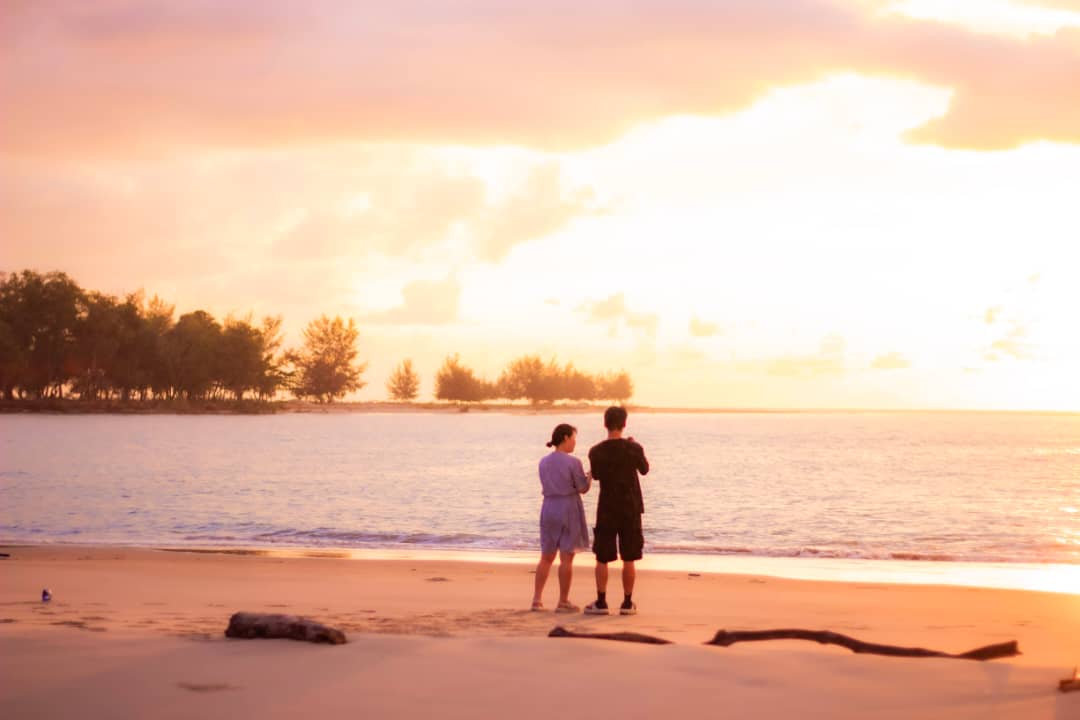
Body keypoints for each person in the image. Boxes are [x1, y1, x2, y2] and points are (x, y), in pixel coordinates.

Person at [585, 406, 649, 616]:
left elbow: (596, 475)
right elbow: (645, 469)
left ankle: (601, 602)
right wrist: (632, 446)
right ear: (624, 424)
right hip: (630, 507)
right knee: (629, 557)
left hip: (607, 507)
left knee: (602, 556)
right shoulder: (633, 448)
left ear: (605, 424)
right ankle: (627, 603)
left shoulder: (595, 451)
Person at [531, 423, 592, 612]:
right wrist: (590, 476)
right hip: (568, 507)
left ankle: (537, 600)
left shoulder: (543, 461)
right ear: (565, 438)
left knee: (546, 557)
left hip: (548, 506)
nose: (574, 443)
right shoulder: (573, 462)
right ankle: (563, 601)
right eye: (573, 438)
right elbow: (582, 488)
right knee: (567, 557)